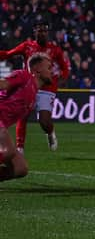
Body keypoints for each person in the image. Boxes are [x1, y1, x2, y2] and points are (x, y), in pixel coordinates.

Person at [0, 20, 69, 152]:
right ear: (35, 32)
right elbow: (8, 54)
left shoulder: (55, 49)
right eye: (40, 31)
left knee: (44, 121)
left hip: (46, 88)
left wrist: (63, 78)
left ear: (47, 33)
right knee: (22, 115)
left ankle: (50, 132)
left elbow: (64, 67)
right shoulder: (27, 46)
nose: (42, 33)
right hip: (28, 84)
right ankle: (20, 148)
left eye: (44, 31)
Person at [1, 53, 53, 182]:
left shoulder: (33, 93)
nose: (52, 71)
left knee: (20, 168)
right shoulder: (24, 76)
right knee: (8, 151)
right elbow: (3, 84)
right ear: (38, 69)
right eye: (49, 68)